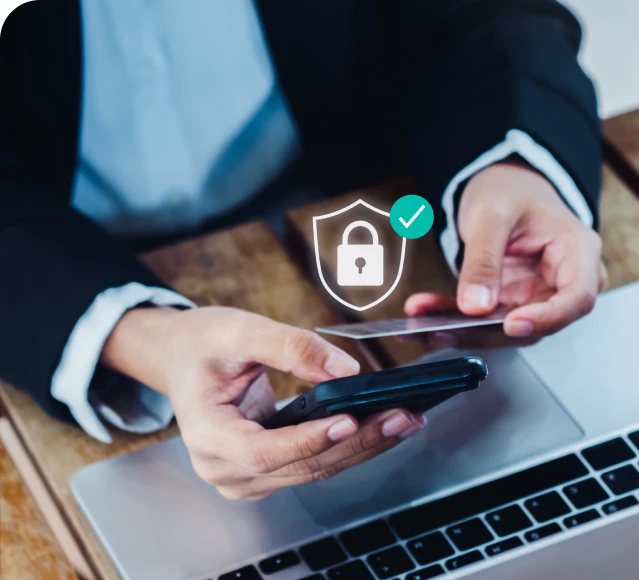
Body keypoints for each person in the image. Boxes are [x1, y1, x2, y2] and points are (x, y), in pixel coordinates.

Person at [0, 0, 604, 500]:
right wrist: (145, 338)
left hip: (352, 196)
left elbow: (487, 15)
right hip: (50, 248)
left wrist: (514, 169)